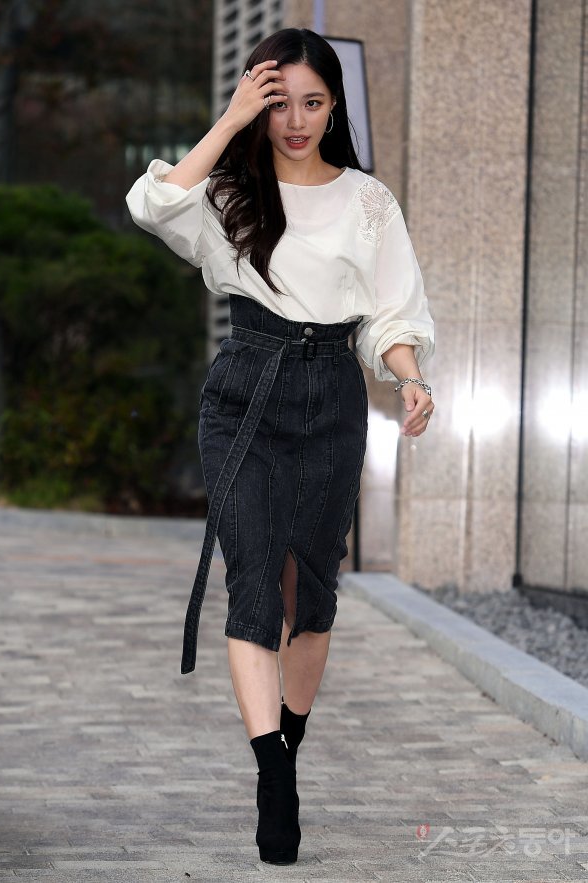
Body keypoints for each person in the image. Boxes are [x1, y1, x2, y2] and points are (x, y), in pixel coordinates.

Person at [125, 26, 435, 866]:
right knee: (254, 581)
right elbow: (151, 205)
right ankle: (274, 774)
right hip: (244, 394)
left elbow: (391, 313)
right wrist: (229, 122)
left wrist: (410, 378)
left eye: (313, 103)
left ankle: (289, 738)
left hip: (333, 395)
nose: (296, 120)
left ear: (335, 108)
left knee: (313, 592)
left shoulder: (369, 202)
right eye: (278, 103)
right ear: (257, 104)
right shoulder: (229, 193)